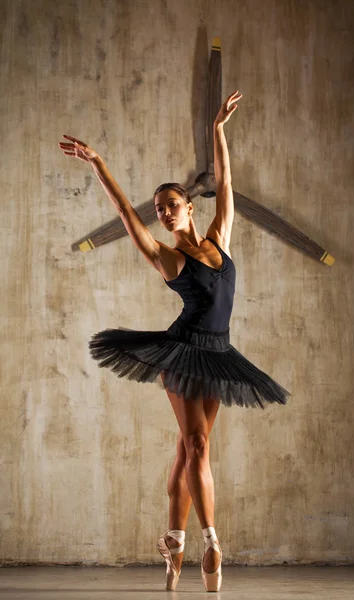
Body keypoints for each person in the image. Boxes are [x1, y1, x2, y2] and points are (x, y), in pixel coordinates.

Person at [59, 90, 290, 592]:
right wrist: (98, 163)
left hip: (220, 355)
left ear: (189, 207)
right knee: (197, 443)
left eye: (170, 206)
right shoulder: (168, 258)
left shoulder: (219, 240)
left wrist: (218, 129)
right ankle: (211, 543)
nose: (163, 213)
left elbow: (226, 182)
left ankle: (173, 540)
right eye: (159, 209)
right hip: (181, 354)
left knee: (189, 455)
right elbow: (124, 213)